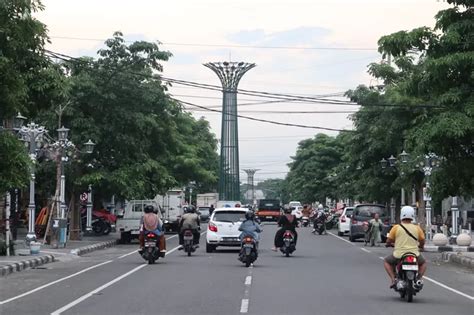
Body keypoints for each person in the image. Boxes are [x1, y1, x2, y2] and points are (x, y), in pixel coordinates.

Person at [384, 206, 426, 288]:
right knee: (423, 263)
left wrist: (388, 244)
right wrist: (421, 246)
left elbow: (389, 241)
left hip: (399, 254)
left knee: (387, 261)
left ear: (401, 215)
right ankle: (418, 278)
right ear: (412, 216)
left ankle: (393, 279)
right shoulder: (417, 228)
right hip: (414, 254)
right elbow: (422, 241)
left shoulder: (396, 227)